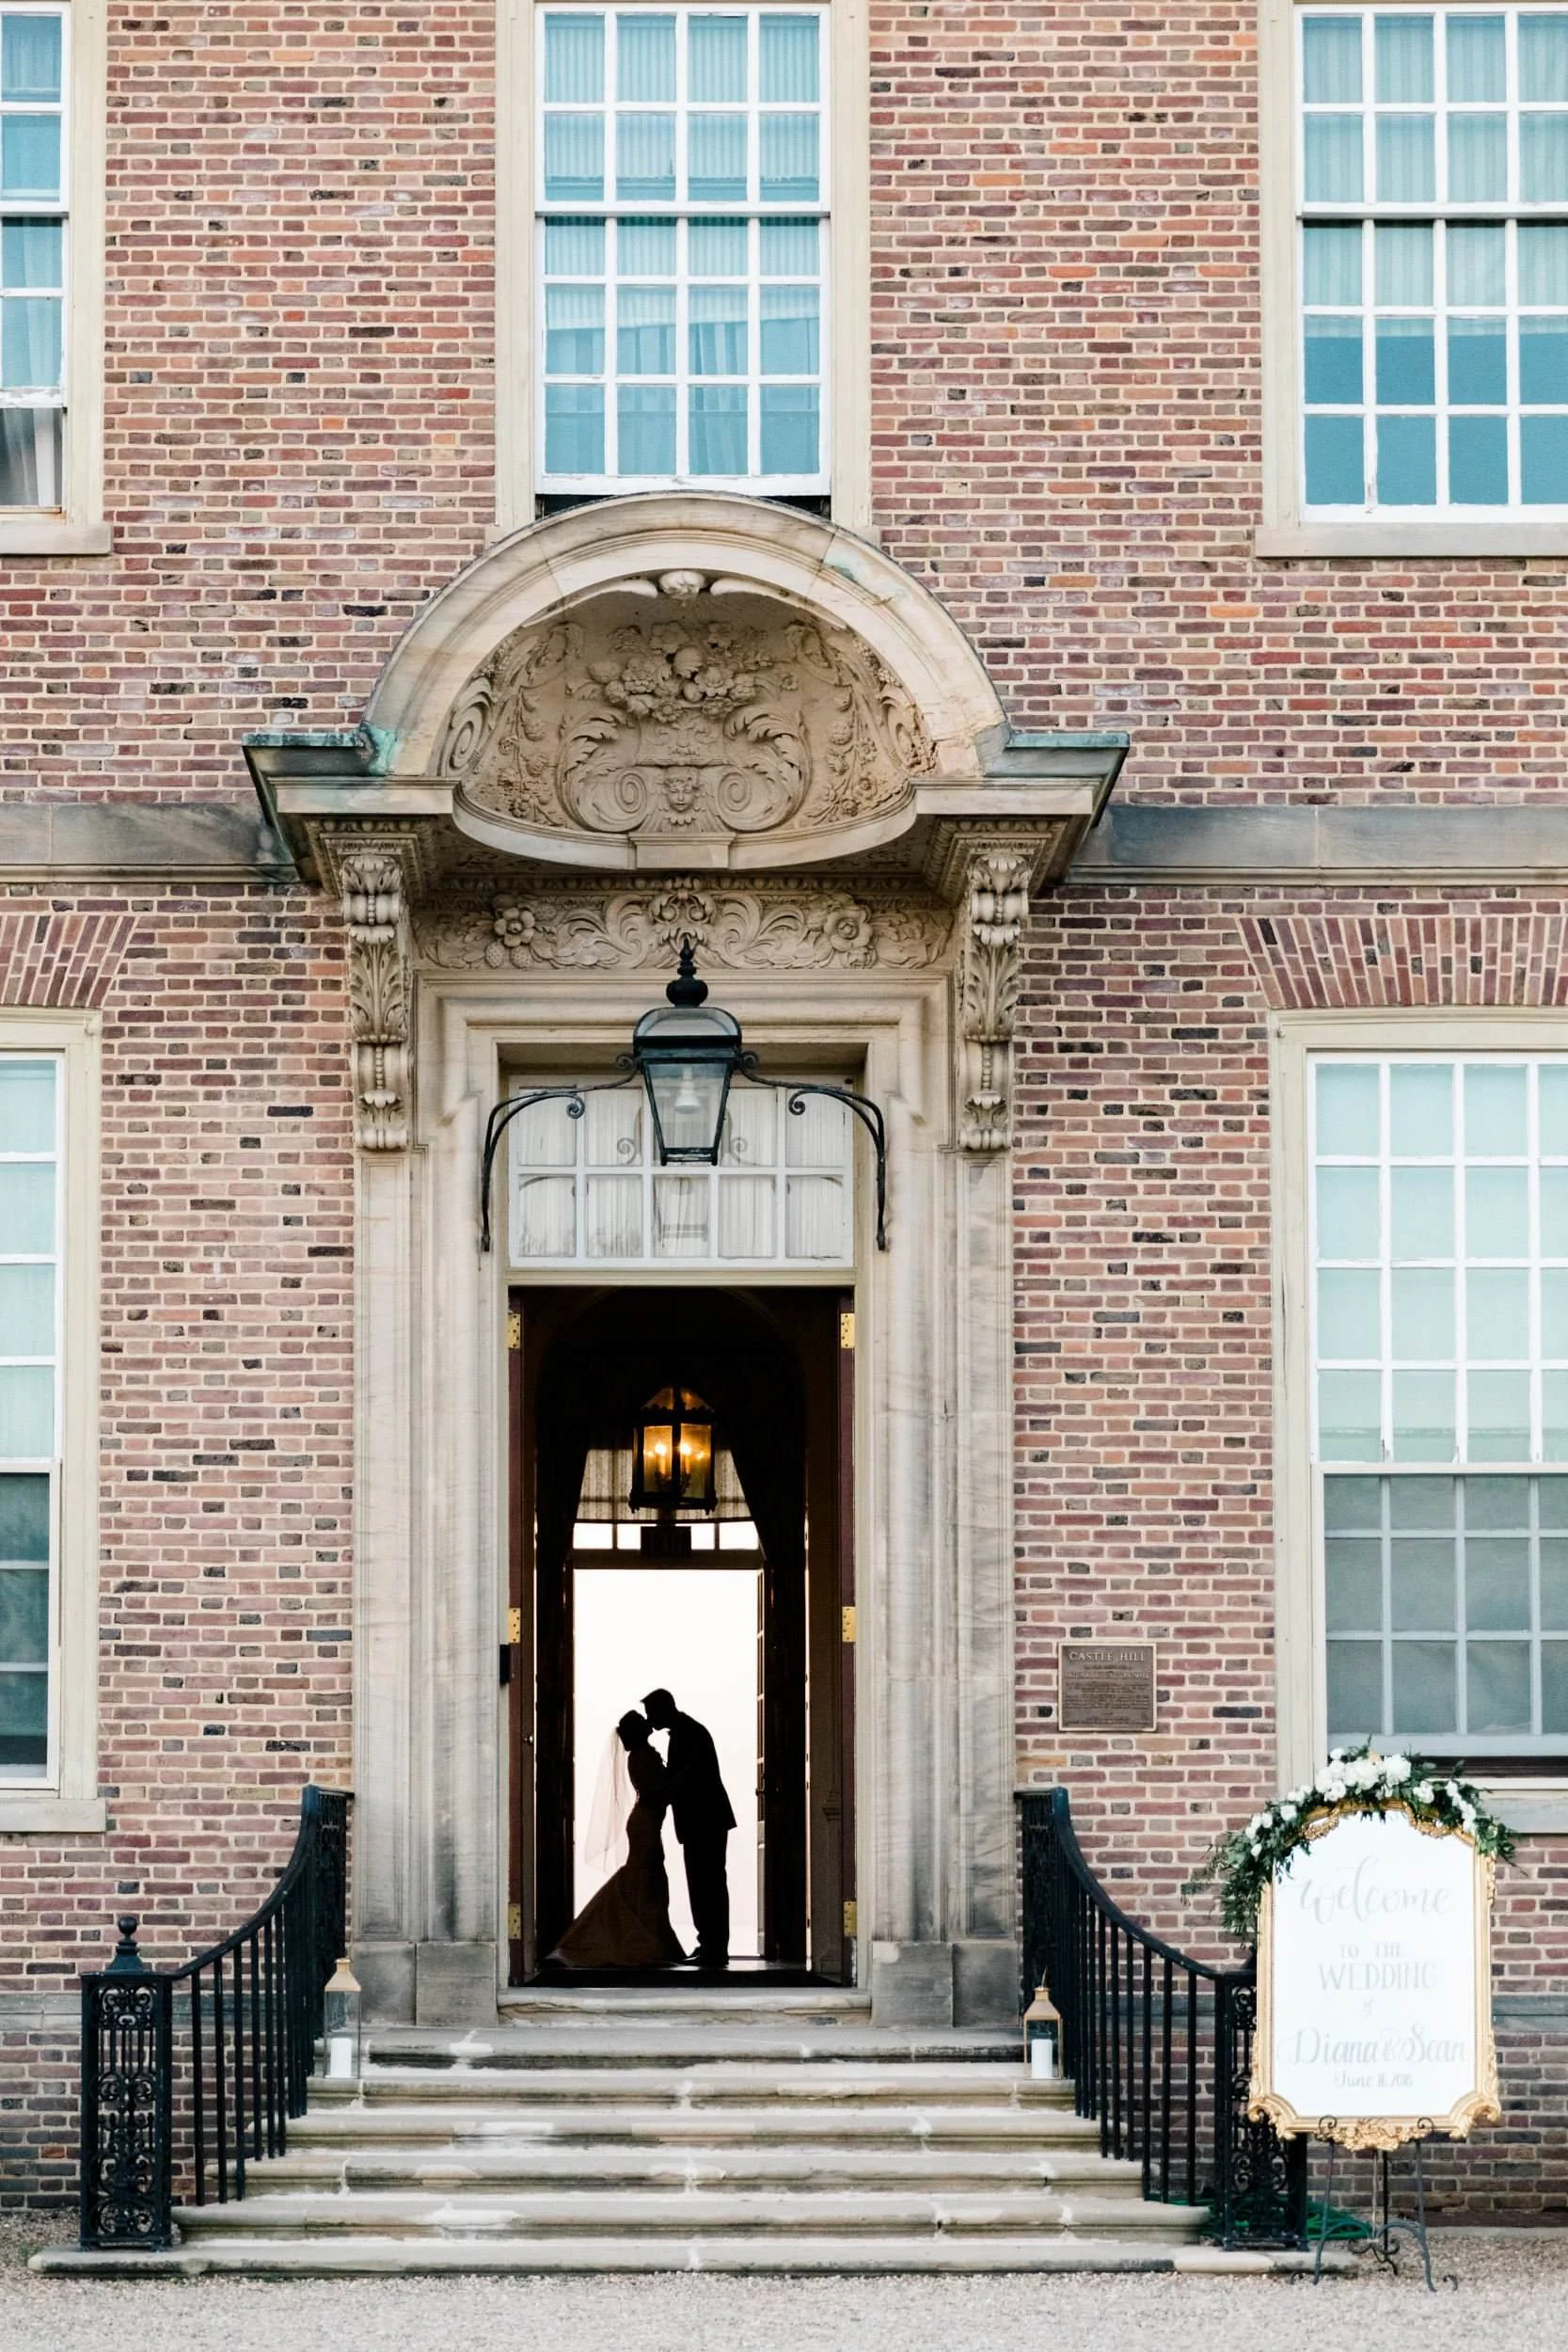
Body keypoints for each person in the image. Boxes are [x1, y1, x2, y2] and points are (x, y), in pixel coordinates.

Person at [549, 1708, 686, 1971]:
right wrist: (681, 1778)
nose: (648, 1723)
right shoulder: (642, 1756)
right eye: (642, 1722)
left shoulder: (641, 1755)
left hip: (647, 1823)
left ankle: (652, 1939)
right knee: (644, 1877)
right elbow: (654, 1793)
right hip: (645, 1824)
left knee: (647, 1878)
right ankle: (629, 1938)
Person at [642, 1687, 736, 1969]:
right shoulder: (686, 1731)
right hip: (700, 1821)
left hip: (705, 1820)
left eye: (651, 1713)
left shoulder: (691, 1732)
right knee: (702, 1883)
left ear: (664, 1708)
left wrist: (660, 1794)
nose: (649, 1720)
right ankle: (708, 1943)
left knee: (710, 1883)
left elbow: (685, 1777)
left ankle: (715, 1947)